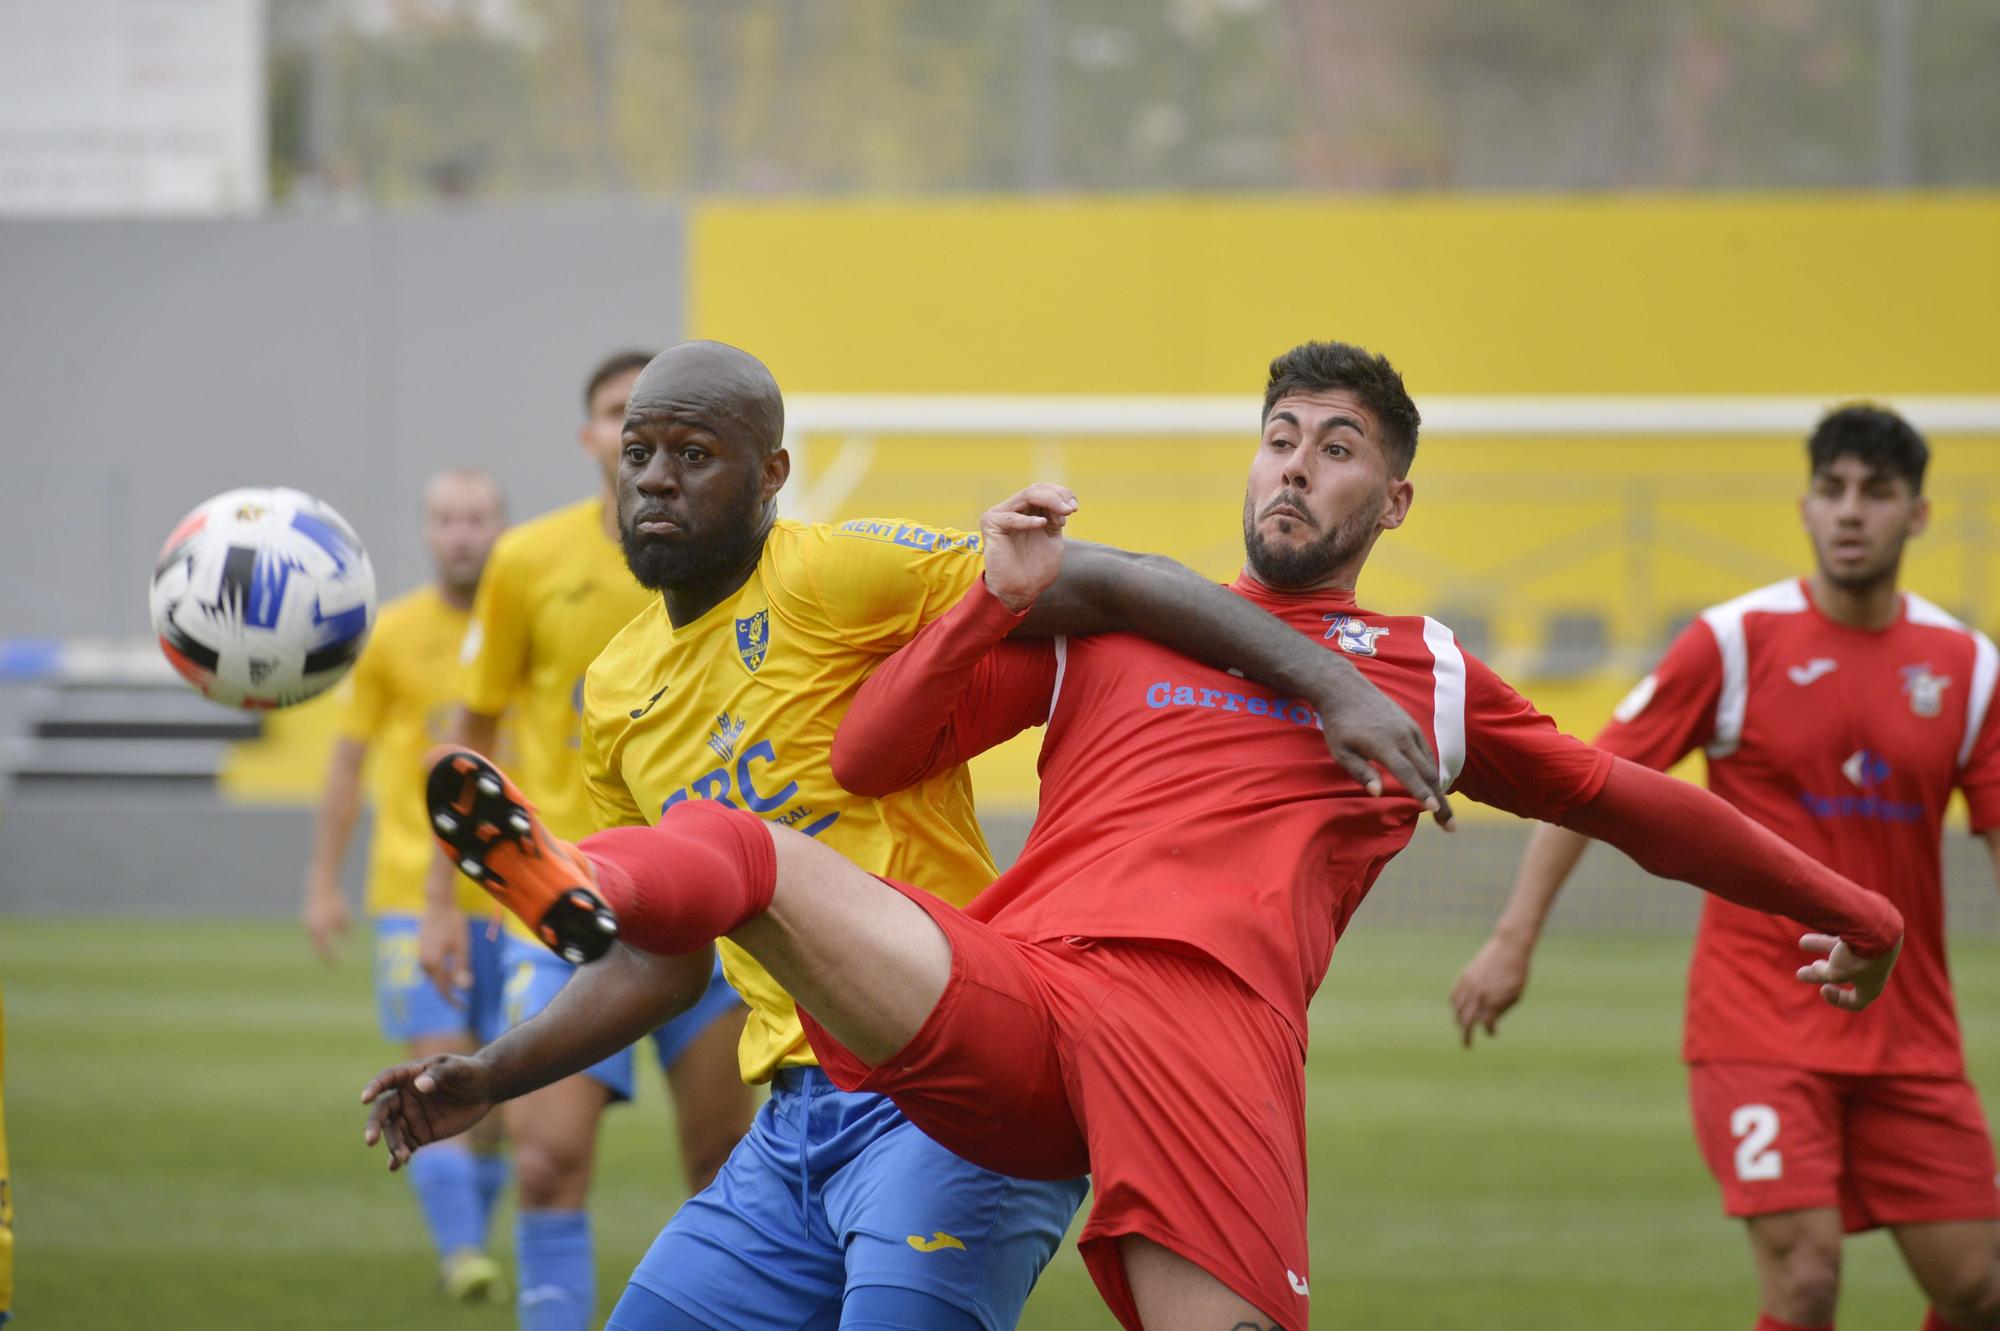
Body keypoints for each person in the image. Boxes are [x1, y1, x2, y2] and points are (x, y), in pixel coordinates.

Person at [374, 341, 1907, 1331]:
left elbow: (1630, 801)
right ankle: (577, 878)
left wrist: (1861, 910)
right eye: (1279, 436)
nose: (1296, 465)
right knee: (749, 839)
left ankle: (594, 878)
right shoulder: (1113, 636)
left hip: (1203, 1052)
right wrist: (996, 594)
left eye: (1337, 448)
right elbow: (867, 749)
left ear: (1394, 494)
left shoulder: (1425, 675)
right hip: (1003, 1007)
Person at [1450, 405, 2000, 1331]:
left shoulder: (1968, 667)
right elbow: (1592, 782)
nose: (1852, 512)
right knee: (1807, 1282)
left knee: (1982, 1288)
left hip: (1909, 1034)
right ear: (1805, 506)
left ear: (1918, 515)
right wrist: (1513, 936)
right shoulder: (1736, 642)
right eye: (1833, 491)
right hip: (1761, 1021)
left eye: (1877, 492)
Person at [423, 350, 754, 1331]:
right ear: (592, 437)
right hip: (568, 908)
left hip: (717, 910)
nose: (633, 439)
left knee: (721, 1166)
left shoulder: (740, 560)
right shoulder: (526, 560)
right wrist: (443, 902)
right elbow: (472, 732)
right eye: (619, 418)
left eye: (659, 426)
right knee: (542, 1157)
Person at [303, 467, 512, 1300]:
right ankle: (463, 1253)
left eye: (476, 517)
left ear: (501, 526)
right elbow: (349, 758)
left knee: (494, 1087)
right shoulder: (390, 634)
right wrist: (324, 879)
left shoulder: (520, 624)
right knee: (432, 1067)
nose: (462, 533)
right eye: (447, 519)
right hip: (407, 894)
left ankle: (469, 1237)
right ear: (428, 533)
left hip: (512, 898)